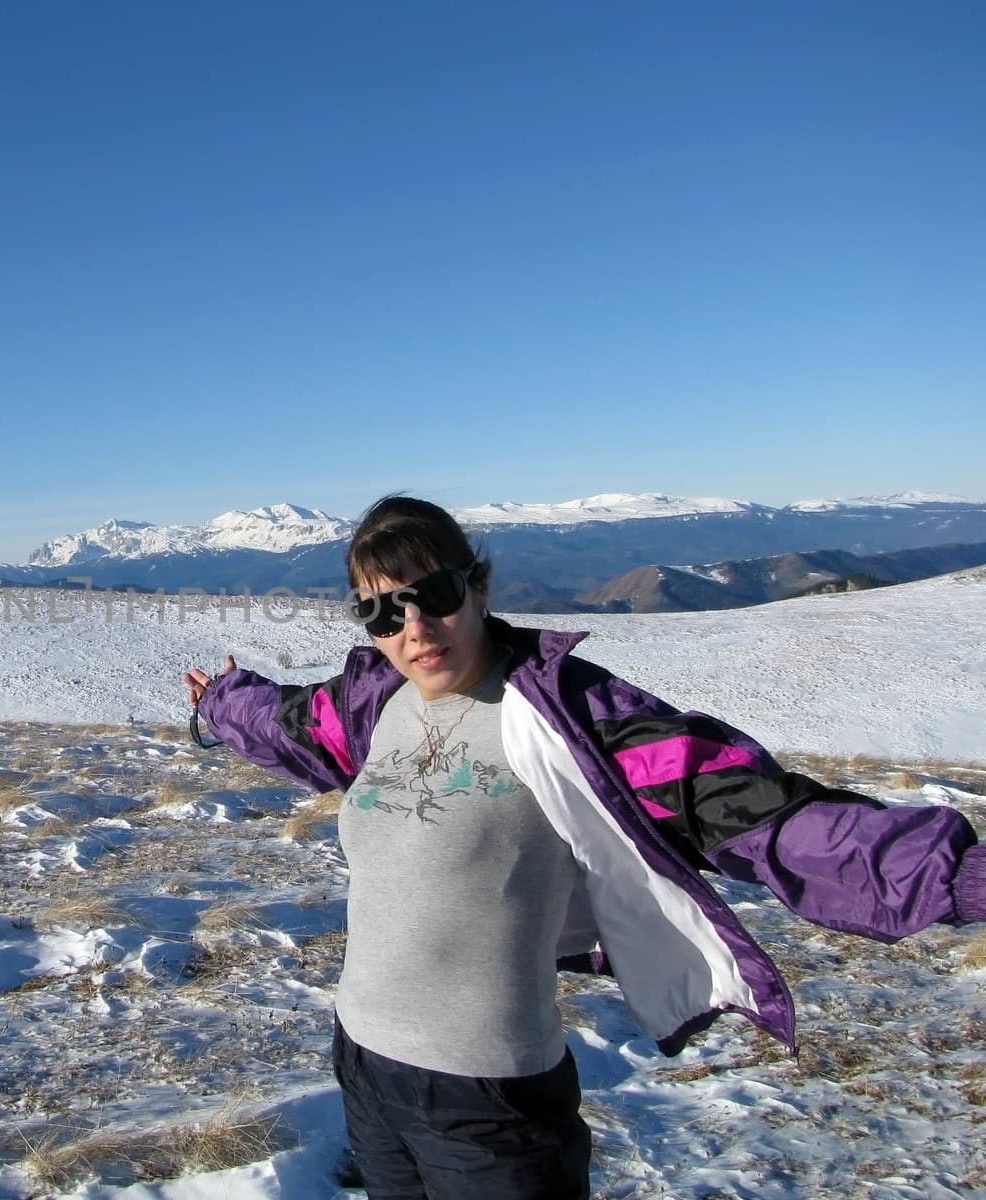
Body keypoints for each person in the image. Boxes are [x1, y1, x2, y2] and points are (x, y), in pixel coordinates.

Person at [181, 495, 984, 1200]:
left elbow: (757, 810)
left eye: (434, 596)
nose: (414, 629)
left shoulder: (572, 716)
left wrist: (961, 874)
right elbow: (286, 723)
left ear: (480, 586)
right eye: (383, 611)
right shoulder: (369, 704)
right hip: (363, 1067)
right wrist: (218, 703)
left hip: (491, 1099)